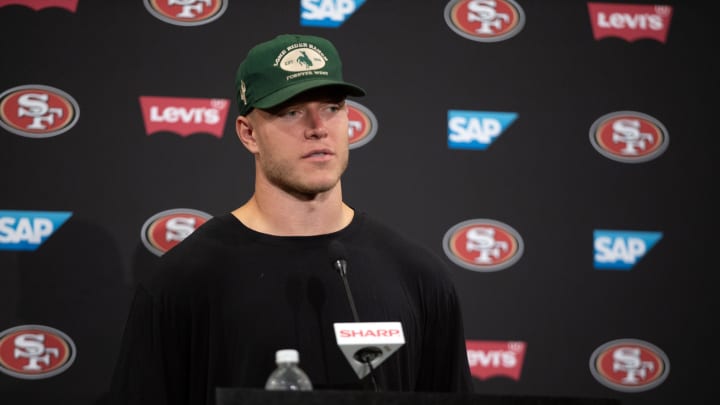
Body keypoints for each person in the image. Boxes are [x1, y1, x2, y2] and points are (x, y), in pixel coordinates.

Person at [109, 33, 473, 405]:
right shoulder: (181, 282)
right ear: (248, 133)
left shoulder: (418, 276)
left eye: (332, 107)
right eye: (291, 111)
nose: (317, 126)